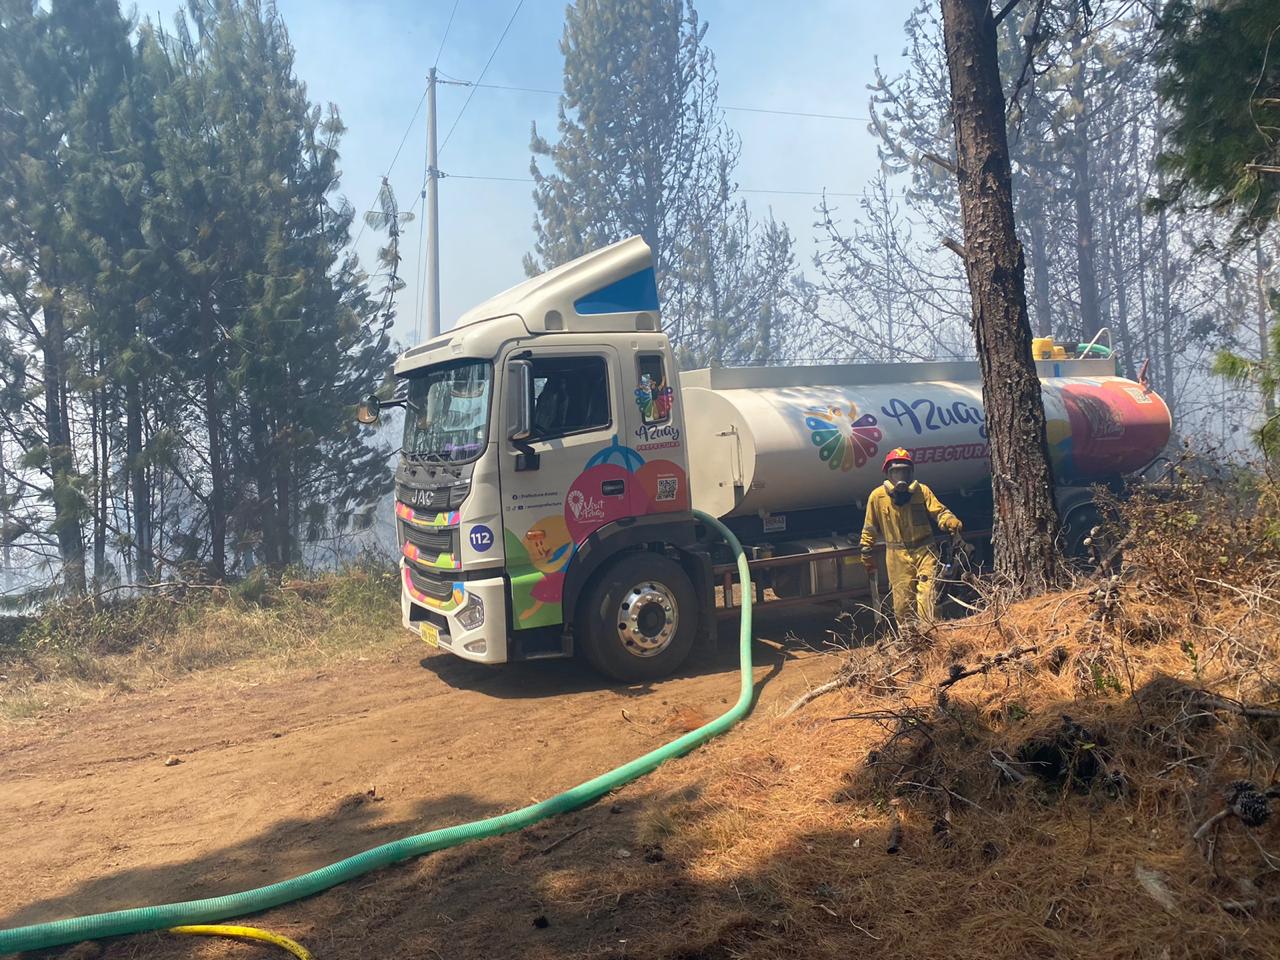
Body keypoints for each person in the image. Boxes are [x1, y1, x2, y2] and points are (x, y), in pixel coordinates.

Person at [860, 448, 962, 632]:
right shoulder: (877, 497)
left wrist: (949, 521)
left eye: (904, 471)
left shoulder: (921, 491)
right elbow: (870, 527)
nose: (901, 476)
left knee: (928, 598)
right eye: (896, 471)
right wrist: (866, 550)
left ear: (911, 473)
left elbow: (939, 512)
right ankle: (910, 642)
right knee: (902, 602)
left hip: (925, 551)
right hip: (896, 555)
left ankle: (933, 638)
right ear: (888, 473)